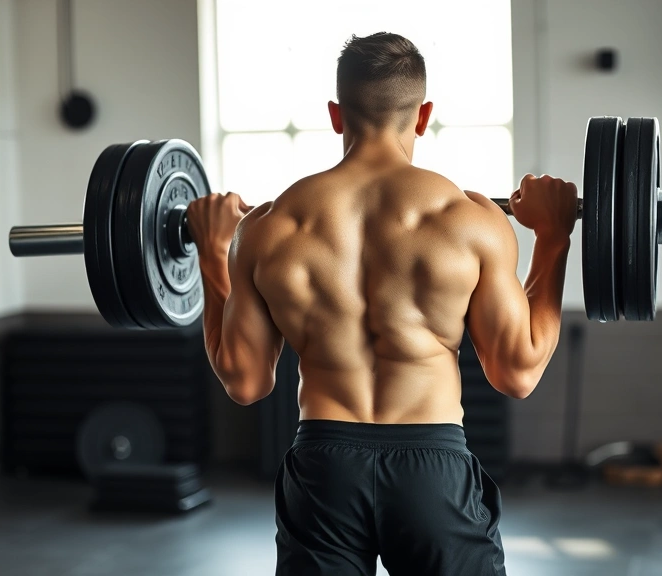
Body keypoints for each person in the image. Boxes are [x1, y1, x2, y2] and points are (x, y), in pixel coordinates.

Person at [185, 32, 578, 576]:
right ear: (423, 116)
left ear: (334, 114)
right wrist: (554, 237)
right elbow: (519, 371)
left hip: (324, 465)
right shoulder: (470, 221)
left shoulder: (268, 228)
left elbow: (246, 383)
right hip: (432, 468)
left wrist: (212, 252)